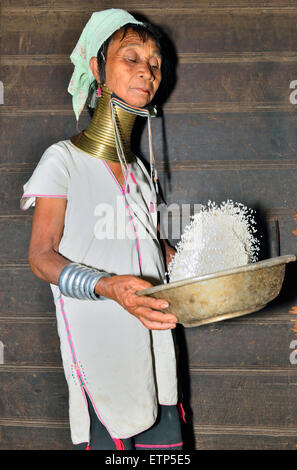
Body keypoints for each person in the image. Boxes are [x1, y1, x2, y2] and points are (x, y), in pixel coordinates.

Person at [20, 9, 185, 450]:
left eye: (154, 63)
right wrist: (109, 287)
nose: (147, 71)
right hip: (100, 348)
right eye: (131, 58)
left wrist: (193, 261)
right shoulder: (63, 161)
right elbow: (41, 256)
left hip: (153, 344)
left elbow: (150, 249)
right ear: (97, 69)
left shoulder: (141, 172)